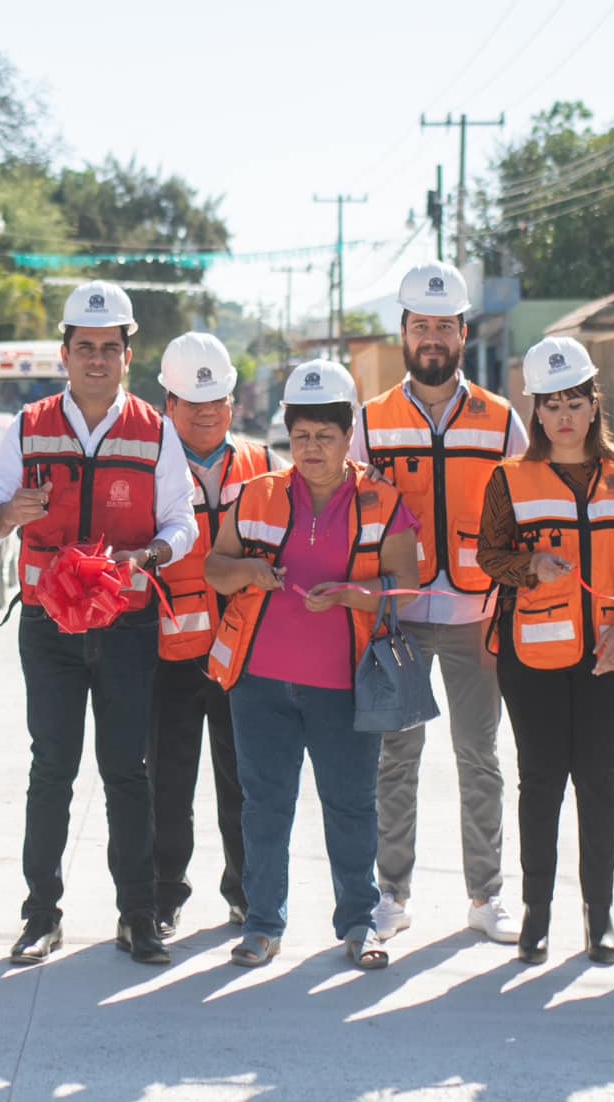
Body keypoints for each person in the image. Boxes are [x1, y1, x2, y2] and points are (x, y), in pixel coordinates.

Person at [0, 281, 196, 967]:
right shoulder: (28, 425)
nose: (97, 359)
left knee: (128, 771)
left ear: (128, 356)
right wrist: (14, 512)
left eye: (110, 348)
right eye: (85, 348)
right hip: (48, 628)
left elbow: (182, 524)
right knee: (52, 770)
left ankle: (138, 917)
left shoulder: (156, 431)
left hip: (127, 626)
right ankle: (40, 916)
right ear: (64, 354)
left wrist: (154, 554)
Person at [202, 360, 417, 970]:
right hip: (260, 684)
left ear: (349, 436)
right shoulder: (257, 495)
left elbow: (409, 583)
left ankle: (359, 924)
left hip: (345, 687)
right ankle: (263, 924)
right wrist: (249, 571)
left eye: (325, 436)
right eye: (300, 437)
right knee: (265, 805)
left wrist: (354, 593)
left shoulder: (382, 500)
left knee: (351, 807)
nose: (312, 449)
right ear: (286, 437)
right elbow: (216, 570)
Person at [350, 261, 528, 945]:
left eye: (444, 327)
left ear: (462, 333)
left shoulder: (501, 419)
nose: (432, 338)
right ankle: (390, 894)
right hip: (398, 617)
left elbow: (524, 506)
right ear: (404, 332)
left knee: (479, 757)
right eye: (421, 326)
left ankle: (486, 896)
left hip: (476, 616)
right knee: (396, 760)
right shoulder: (371, 422)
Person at [476, 337, 614, 966]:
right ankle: (536, 914)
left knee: (600, 784)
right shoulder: (511, 479)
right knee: (542, 782)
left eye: (575, 402)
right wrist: (529, 566)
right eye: (551, 405)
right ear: (537, 413)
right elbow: (487, 556)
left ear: (594, 405)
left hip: (609, 657)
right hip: (533, 658)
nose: (564, 416)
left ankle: (598, 916)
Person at [149, 331, 279, 939]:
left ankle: (247, 891)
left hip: (244, 653)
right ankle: (164, 894)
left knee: (246, 779)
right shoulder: (147, 465)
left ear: (233, 403)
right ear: (167, 404)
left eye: (217, 401)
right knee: (167, 781)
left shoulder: (264, 466)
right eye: (192, 403)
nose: (206, 413)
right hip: (166, 652)